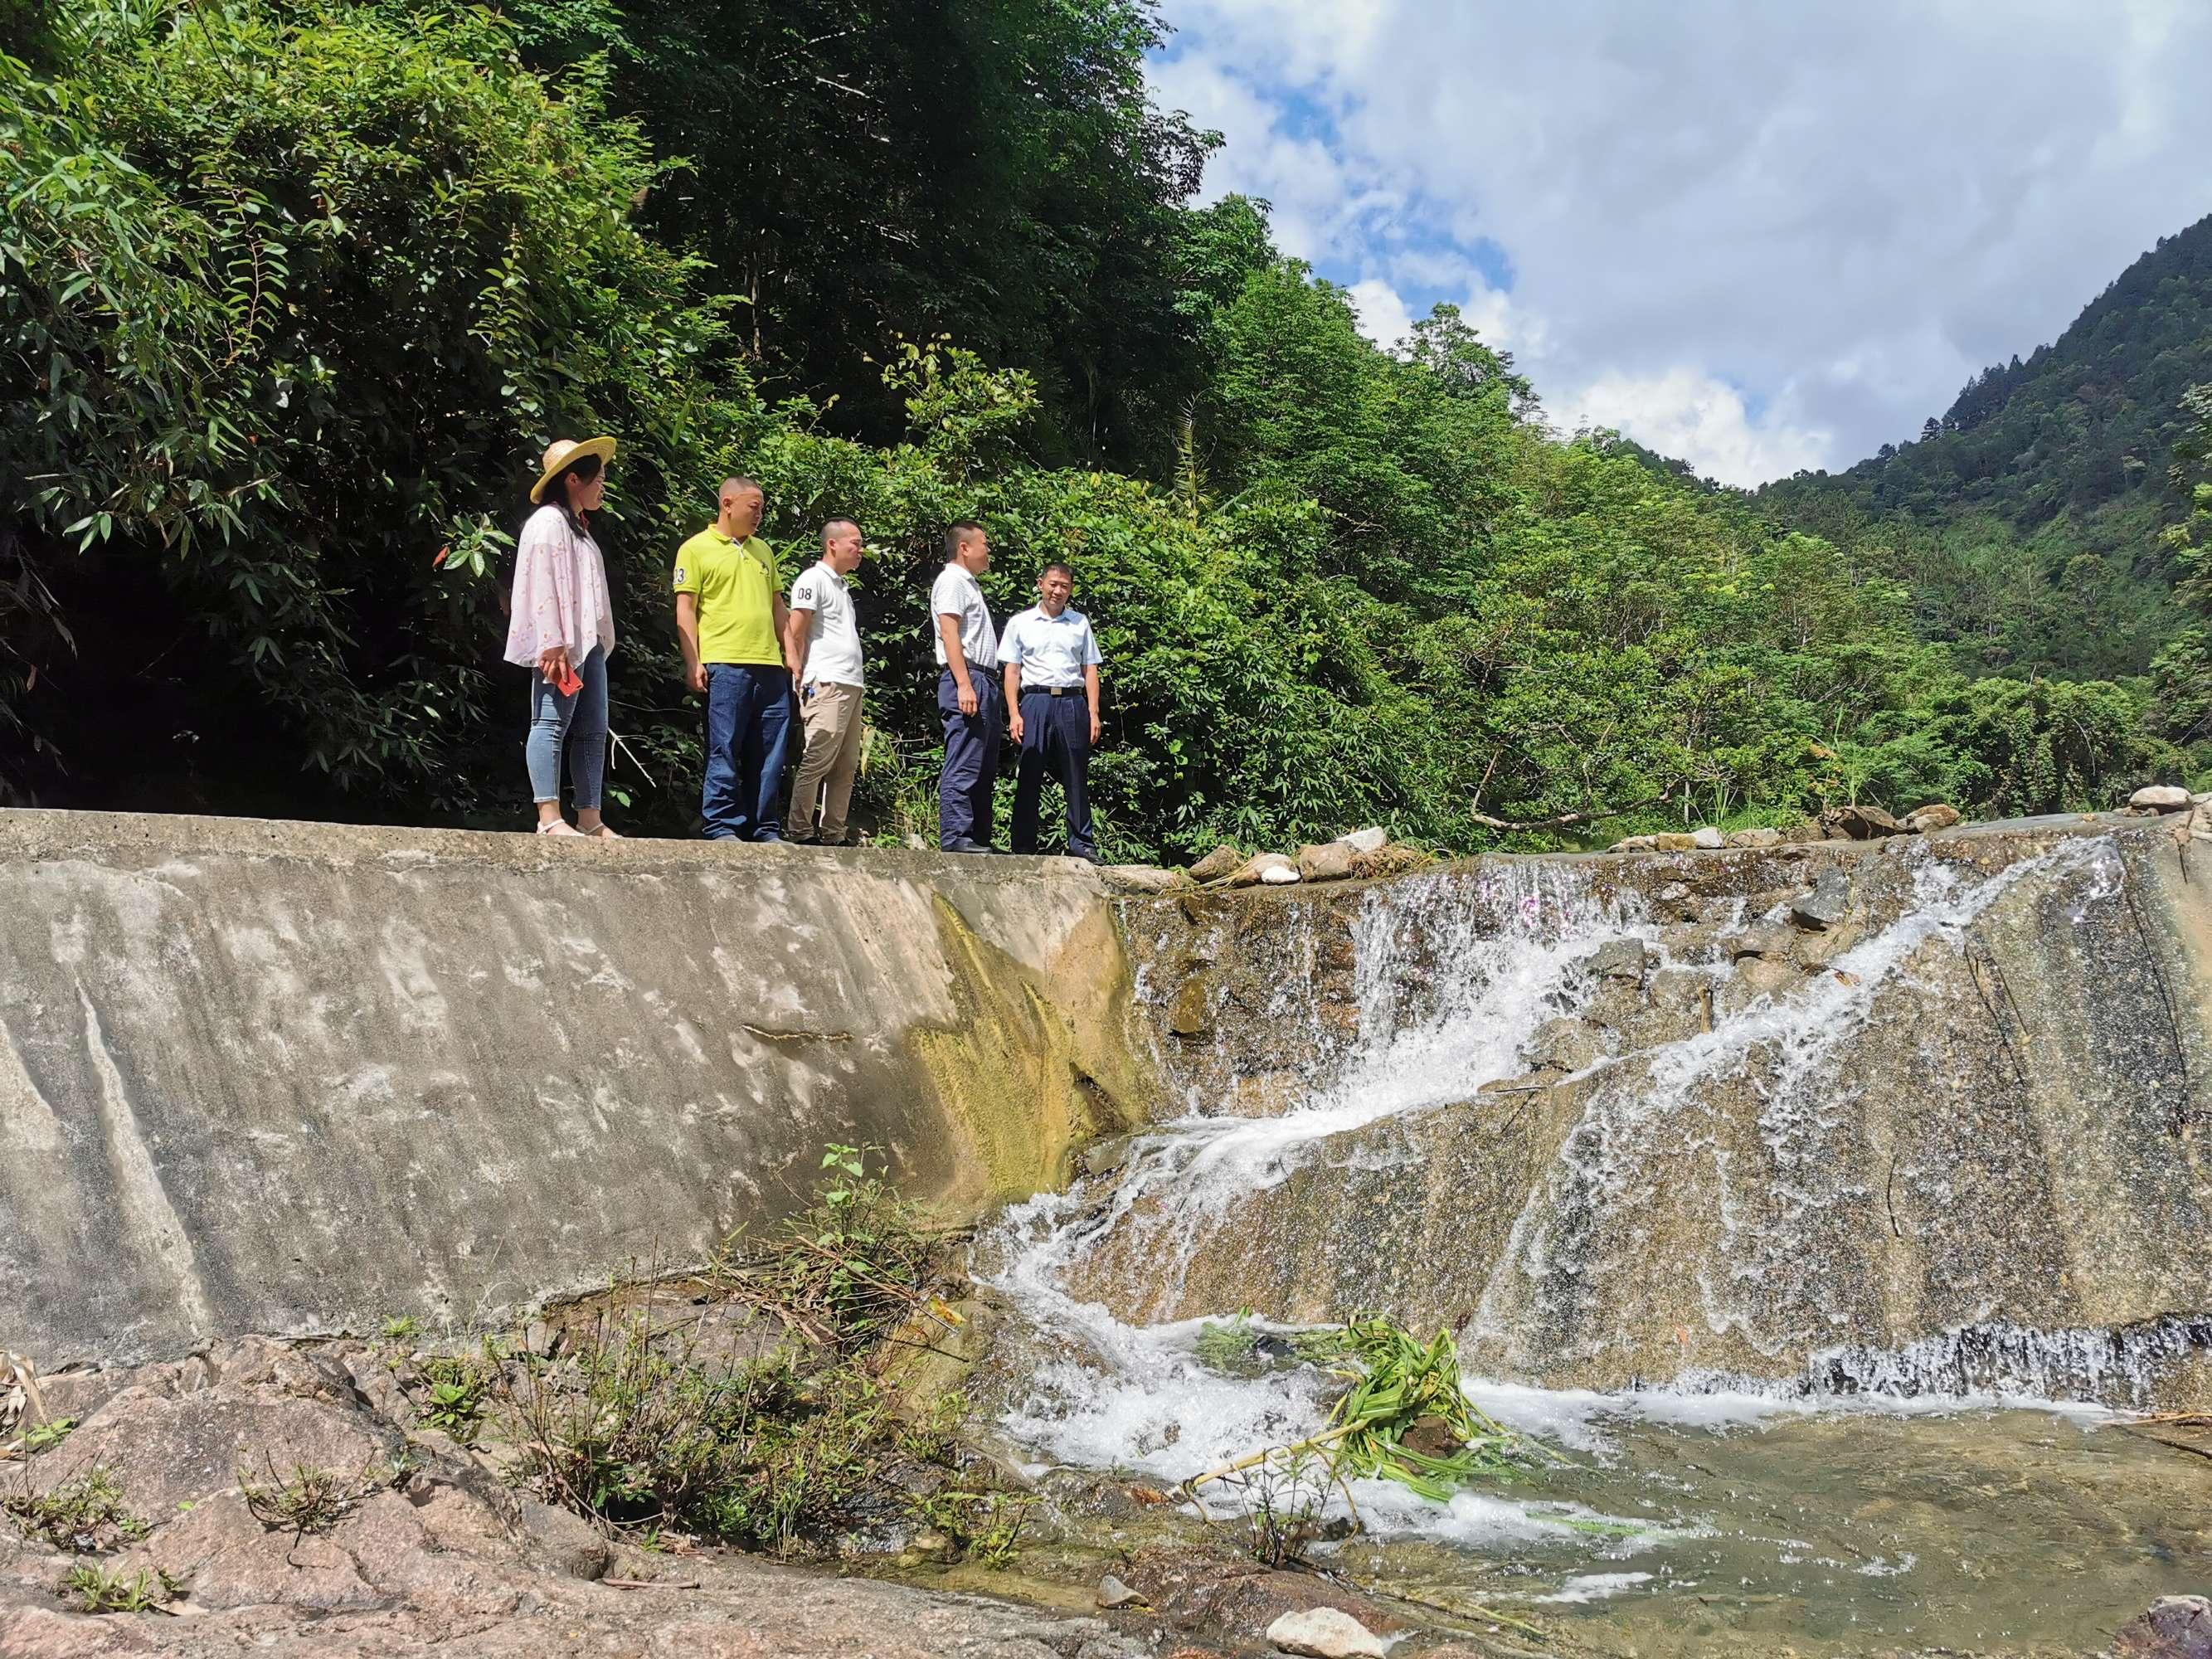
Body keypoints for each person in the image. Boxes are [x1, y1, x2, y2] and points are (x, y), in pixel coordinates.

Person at [505, 435, 620, 839]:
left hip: (588, 643)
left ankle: (590, 818)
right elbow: (542, 583)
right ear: (574, 479)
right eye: (599, 478)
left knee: (592, 728)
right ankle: (549, 817)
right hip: (563, 644)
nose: (603, 485)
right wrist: (551, 640)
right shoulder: (548, 523)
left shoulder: (580, 531)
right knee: (550, 722)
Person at [674, 477, 792, 841]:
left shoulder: (764, 551)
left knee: (771, 753)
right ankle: (722, 826)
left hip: (770, 667)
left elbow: (777, 607)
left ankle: (765, 828)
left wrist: (793, 656)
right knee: (724, 748)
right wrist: (694, 661)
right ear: (728, 504)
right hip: (724, 664)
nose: (759, 515)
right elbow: (685, 610)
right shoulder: (695, 549)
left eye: (761, 508)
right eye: (753, 507)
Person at [999, 562, 1103, 862]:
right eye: (1053, 584)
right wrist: (1014, 713)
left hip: (1072, 702)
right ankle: (1022, 845)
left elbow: (1090, 669)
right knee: (1030, 771)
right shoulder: (1021, 622)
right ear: (1041, 584)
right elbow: (1012, 671)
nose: (1058, 591)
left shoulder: (1079, 623)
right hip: (1035, 701)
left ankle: (1082, 843)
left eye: (1065, 586)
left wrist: (1094, 713)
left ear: (1070, 590)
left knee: (1076, 773)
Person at [783, 517, 868, 844]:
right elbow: (797, 631)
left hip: (851, 682)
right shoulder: (812, 579)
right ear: (832, 543)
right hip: (826, 681)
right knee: (818, 757)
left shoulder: (841, 586)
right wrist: (798, 675)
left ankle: (834, 832)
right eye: (855, 543)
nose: (860, 549)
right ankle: (800, 830)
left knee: (846, 765)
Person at [931, 521, 1000, 853]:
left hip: (983, 679)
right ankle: (956, 836)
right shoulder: (953, 581)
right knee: (964, 760)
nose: (988, 550)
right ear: (964, 547)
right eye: (984, 543)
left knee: (983, 763)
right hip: (968, 677)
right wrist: (964, 684)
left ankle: (976, 836)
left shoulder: (969, 585)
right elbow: (949, 633)